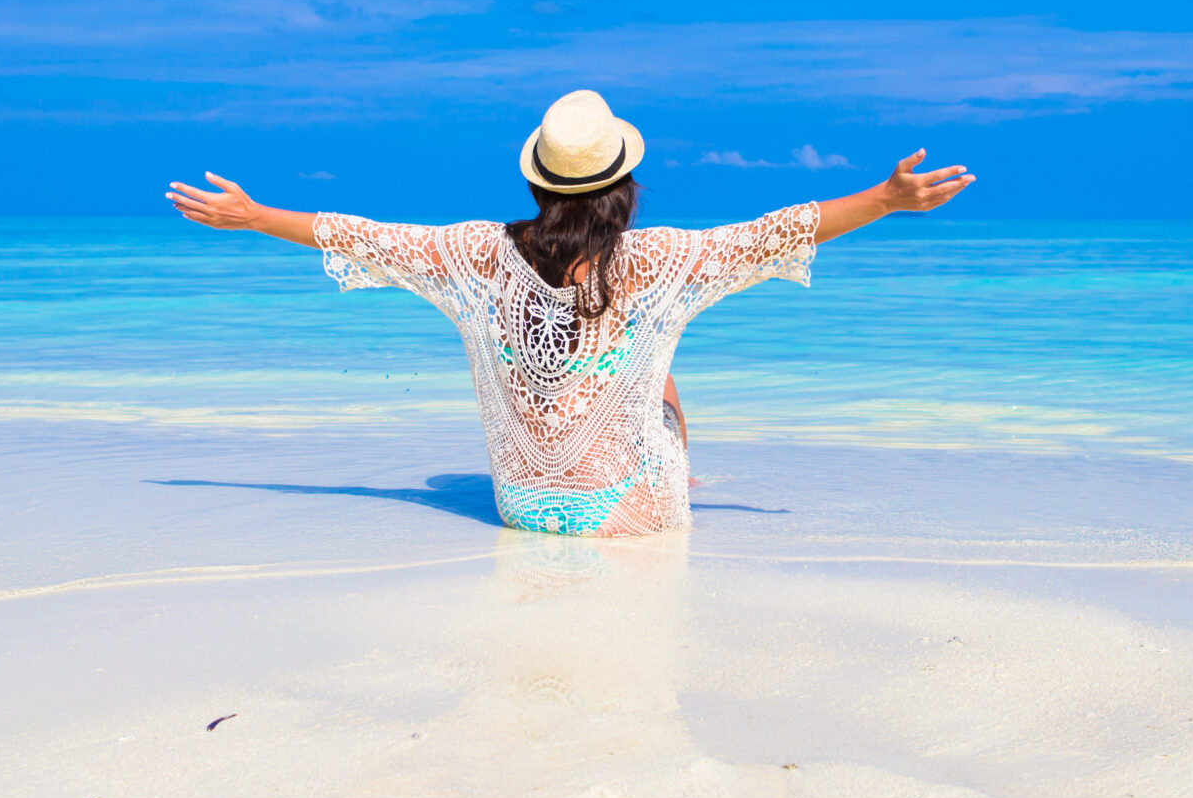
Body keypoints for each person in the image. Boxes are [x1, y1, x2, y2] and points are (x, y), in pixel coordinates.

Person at [166, 90, 973, 537]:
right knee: (652, 349)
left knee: (638, 344)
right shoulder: (659, 259)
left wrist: (257, 213)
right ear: (622, 185)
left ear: (538, 182)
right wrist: (886, 198)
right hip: (633, 514)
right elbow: (772, 233)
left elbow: (363, 235)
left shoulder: (476, 253)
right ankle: (676, 466)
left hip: (522, 508)